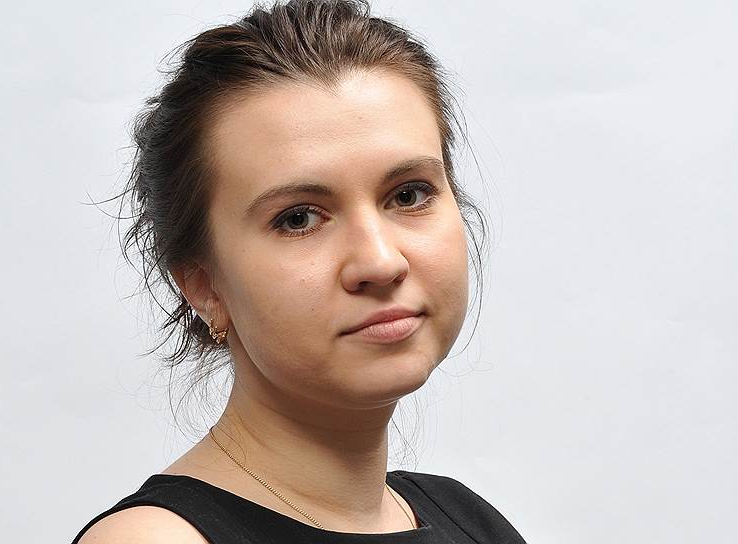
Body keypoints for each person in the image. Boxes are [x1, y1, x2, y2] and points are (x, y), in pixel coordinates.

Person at [73, 0, 527, 542]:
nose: (380, 262)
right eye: (299, 219)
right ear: (204, 285)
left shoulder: (468, 520)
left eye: (408, 194)